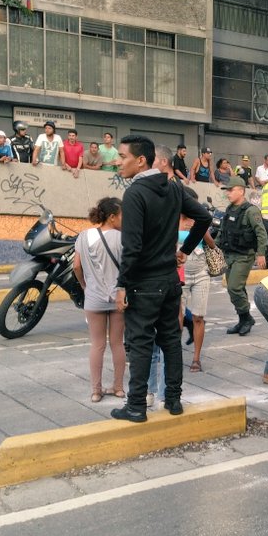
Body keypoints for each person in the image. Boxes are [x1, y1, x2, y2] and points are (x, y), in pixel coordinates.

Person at [110, 135, 211, 422]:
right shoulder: (175, 188)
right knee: (170, 340)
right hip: (170, 280)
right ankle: (174, 401)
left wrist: (121, 285)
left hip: (144, 282)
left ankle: (136, 406)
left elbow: (132, 247)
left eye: (122, 157)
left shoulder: (135, 194)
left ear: (140, 160)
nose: (118, 162)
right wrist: (185, 251)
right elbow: (203, 218)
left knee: (141, 343)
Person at [74, 197, 126, 403]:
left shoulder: (84, 236)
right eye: (122, 215)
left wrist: (85, 285)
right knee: (117, 344)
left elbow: (76, 266)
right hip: (117, 298)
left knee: (97, 345)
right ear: (112, 217)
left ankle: (96, 391)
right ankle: (119, 388)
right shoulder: (122, 238)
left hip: (93, 298)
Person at [218, 175, 268, 336]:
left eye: (231, 190)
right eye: (227, 191)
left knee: (234, 287)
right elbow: (222, 231)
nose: (228, 193)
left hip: (244, 255)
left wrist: (261, 254)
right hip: (230, 255)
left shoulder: (251, 211)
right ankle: (243, 319)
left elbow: (261, 233)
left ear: (241, 191)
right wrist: (214, 246)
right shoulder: (229, 209)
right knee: (235, 288)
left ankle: (246, 319)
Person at [177, 210, 218, 372]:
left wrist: (201, 228)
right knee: (177, 319)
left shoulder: (199, 221)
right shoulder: (173, 220)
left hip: (201, 274)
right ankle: (175, 356)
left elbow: (212, 245)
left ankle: (196, 359)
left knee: (198, 317)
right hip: (181, 274)